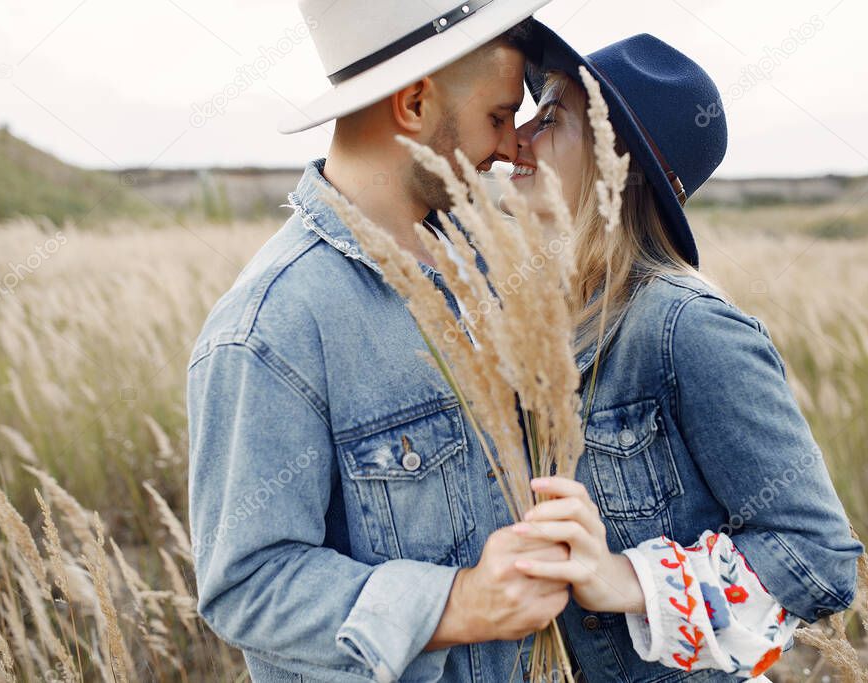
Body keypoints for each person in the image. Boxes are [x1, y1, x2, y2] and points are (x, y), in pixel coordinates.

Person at [187, 1, 577, 681]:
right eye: (497, 115)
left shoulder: (488, 263)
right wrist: (460, 603)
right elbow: (245, 586)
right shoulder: (269, 325)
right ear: (415, 103)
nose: (514, 145)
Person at [499, 22, 865, 680]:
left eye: (550, 116)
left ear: (621, 164)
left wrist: (628, 579)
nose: (519, 138)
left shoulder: (688, 328)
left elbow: (820, 556)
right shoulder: (544, 324)